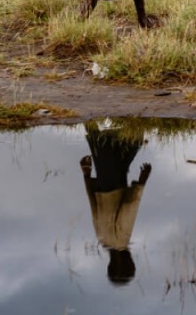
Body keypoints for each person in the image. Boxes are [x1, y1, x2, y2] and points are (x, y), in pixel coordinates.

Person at [80, 121, 151, 285]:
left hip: (115, 184)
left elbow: (129, 209)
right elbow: (93, 206)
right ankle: (90, 117)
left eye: (131, 265)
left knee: (123, 140)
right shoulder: (102, 239)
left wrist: (141, 183)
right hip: (104, 185)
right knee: (105, 146)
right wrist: (86, 176)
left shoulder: (121, 241)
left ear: (128, 263)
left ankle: (95, 114)